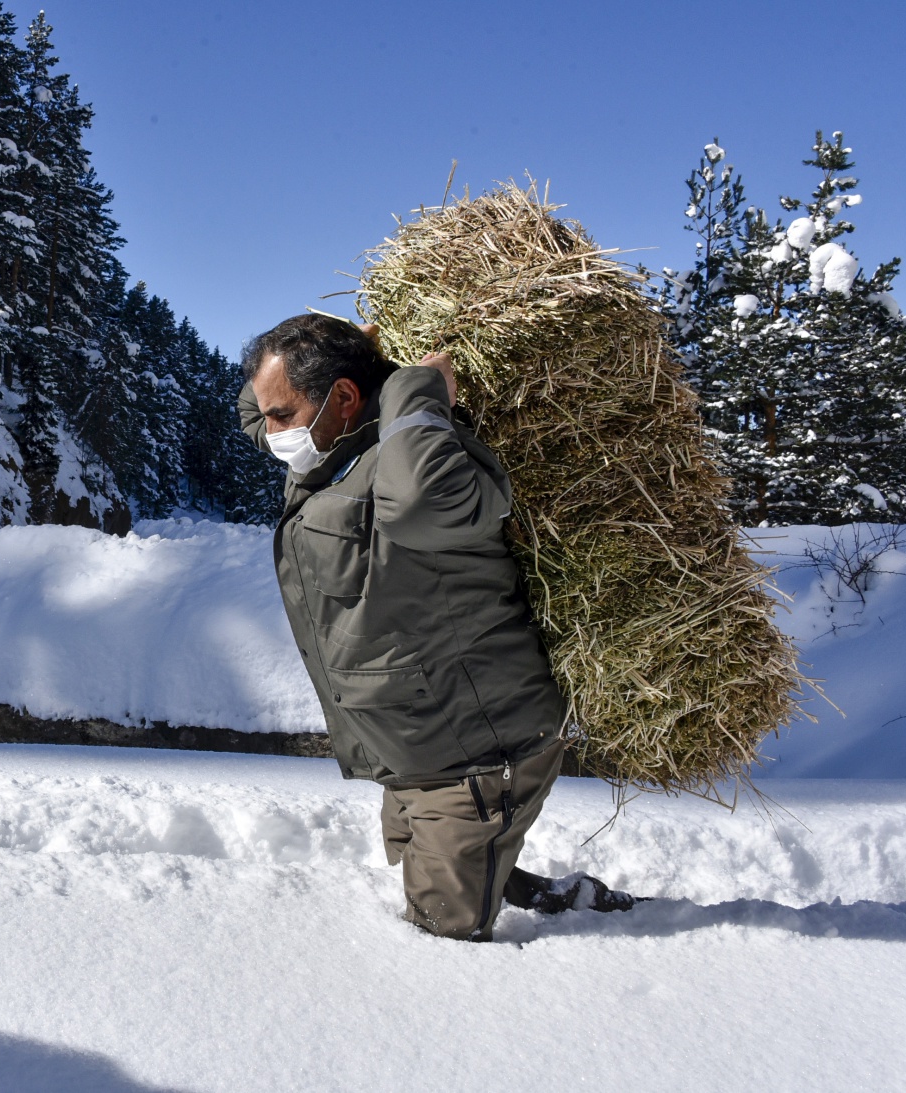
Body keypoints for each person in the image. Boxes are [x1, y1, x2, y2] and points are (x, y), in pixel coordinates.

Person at [238, 313, 636, 941]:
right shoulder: (331, 448)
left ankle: (576, 920)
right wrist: (333, 347)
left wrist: (414, 386)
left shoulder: (424, 461)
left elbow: (420, 505)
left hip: (474, 758)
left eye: (281, 415)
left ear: (345, 399)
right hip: (412, 749)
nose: (270, 432)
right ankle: (540, 892)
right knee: (426, 873)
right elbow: (262, 407)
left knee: (440, 938)